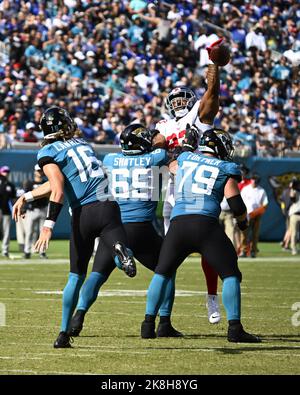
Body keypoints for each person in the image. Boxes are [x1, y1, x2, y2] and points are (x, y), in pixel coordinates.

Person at [13, 106, 136, 348]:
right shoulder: (82, 144)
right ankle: (121, 253)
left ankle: (62, 334)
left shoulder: (48, 151)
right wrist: (27, 197)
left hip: (83, 216)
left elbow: (58, 188)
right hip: (107, 206)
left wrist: (48, 226)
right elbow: (58, 183)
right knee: (119, 248)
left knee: (75, 277)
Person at [141, 127, 261, 343]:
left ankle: (148, 325)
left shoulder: (186, 158)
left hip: (178, 225)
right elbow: (235, 202)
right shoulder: (226, 167)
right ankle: (235, 328)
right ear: (220, 146)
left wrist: (183, 146)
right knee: (230, 274)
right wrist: (243, 224)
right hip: (205, 225)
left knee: (162, 272)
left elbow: (173, 165)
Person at [69, 123, 181, 338]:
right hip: (141, 228)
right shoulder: (156, 157)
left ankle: (79, 315)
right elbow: (162, 143)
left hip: (114, 227)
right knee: (167, 270)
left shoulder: (110, 159)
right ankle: (162, 322)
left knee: (97, 275)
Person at [154, 38, 226, 324]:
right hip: (173, 196)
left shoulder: (200, 117)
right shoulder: (162, 126)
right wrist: (162, 154)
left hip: (200, 191)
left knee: (210, 249)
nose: (180, 103)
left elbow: (211, 97)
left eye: (184, 98)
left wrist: (215, 70)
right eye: (175, 100)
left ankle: (211, 296)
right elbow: (154, 145)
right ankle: (162, 319)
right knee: (168, 261)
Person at [240, 174, 269, 258]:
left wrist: (256, 212)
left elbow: (265, 204)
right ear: (251, 179)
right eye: (253, 179)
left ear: (258, 181)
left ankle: (253, 251)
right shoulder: (246, 189)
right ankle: (244, 251)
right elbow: (240, 201)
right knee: (244, 234)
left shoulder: (261, 191)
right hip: (246, 215)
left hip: (256, 216)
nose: (254, 181)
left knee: (255, 234)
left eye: (256, 179)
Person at [23, 165, 48, 259]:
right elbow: (25, 196)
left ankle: (42, 252)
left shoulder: (46, 183)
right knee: (29, 231)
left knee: (43, 232)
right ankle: (27, 251)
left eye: (41, 171)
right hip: (32, 210)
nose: (39, 172)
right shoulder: (29, 183)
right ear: (34, 171)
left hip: (43, 209)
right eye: (38, 170)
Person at [0, 166, 16, 257]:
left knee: (6, 231)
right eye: (4, 171)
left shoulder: (11, 185)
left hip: (7, 210)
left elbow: (13, 199)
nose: (6, 173)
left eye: (7, 171)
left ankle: (5, 250)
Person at [288, 178, 300, 256]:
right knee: (294, 233)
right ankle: (293, 248)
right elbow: (292, 198)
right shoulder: (294, 191)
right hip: (295, 214)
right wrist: (292, 188)